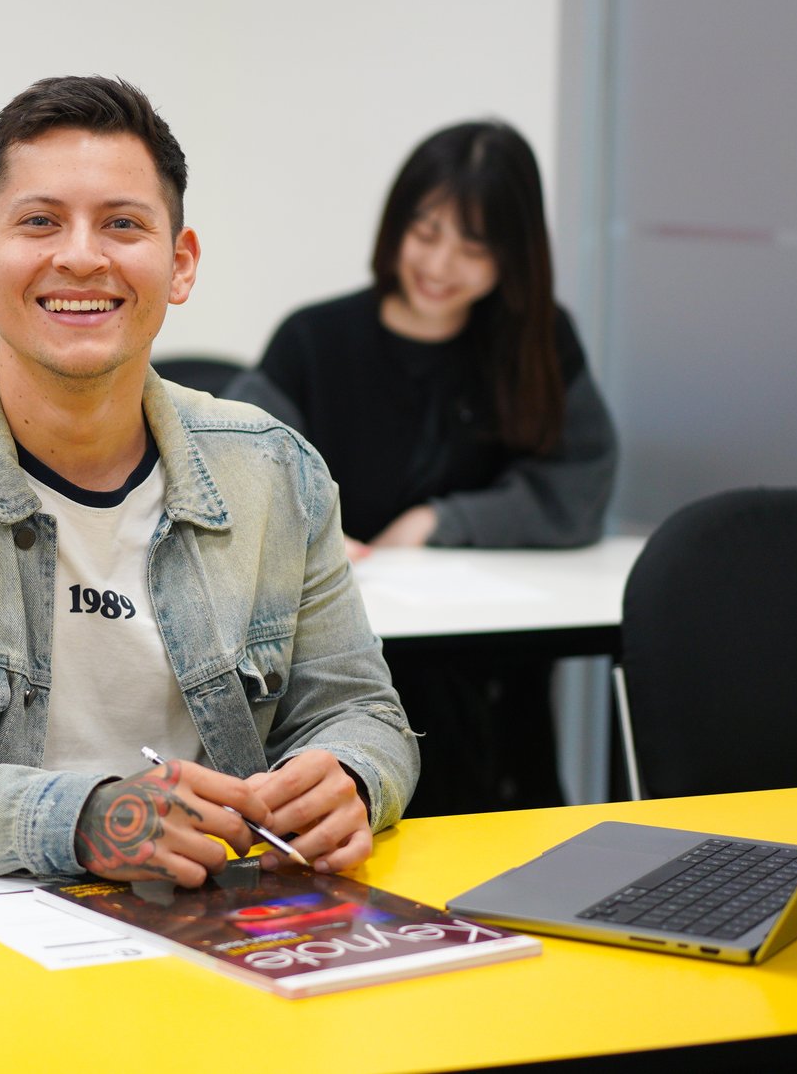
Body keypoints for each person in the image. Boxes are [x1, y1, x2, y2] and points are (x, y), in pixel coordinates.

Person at [0, 75, 418, 886]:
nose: (79, 255)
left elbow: (362, 709)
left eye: (123, 224)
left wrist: (350, 774)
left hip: (212, 921)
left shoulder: (276, 471)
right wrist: (82, 819)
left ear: (180, 264)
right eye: (39, 221)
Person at [229, 119, 618, 812]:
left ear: (514, 255)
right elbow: (234, 467)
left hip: (492, 676)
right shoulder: (314, 340)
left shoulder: (538, 341)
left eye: (474, 245)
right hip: (334, 660)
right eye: (426, 232)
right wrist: (307, 534)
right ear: (395, 226)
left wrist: (443, 521)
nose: (440, 266)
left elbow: (580, 482)